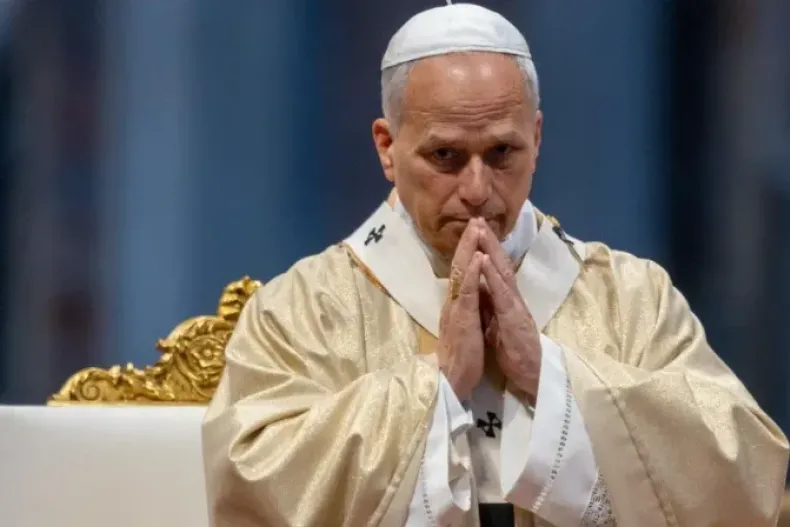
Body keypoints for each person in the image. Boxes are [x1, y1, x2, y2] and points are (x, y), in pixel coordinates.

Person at [201, 3, 789, 526]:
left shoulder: (632, 298)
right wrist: (436, 384)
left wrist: (549, 374)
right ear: (387, 147)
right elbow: (253, 481)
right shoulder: (303, 310)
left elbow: (744, 474)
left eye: (502, 152)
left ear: (537, 137)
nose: (477, 190)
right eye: (445, 155)